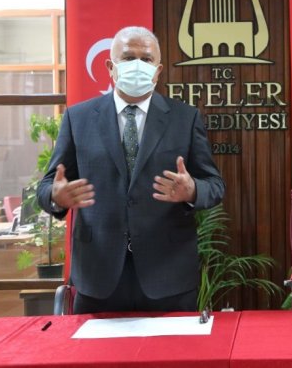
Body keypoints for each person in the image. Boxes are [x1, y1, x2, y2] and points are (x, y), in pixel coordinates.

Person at [37, 26, 225, 314]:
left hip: (168, 274)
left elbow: (214, 185)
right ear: (110, 67)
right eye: (128, 58)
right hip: (98, 275)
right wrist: (55, 196)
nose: (137, 65)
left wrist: (193, 191)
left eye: (146, 59)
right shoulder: (78, 118)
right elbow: (47, 185)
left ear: (158, 70)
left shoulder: (185, 118)